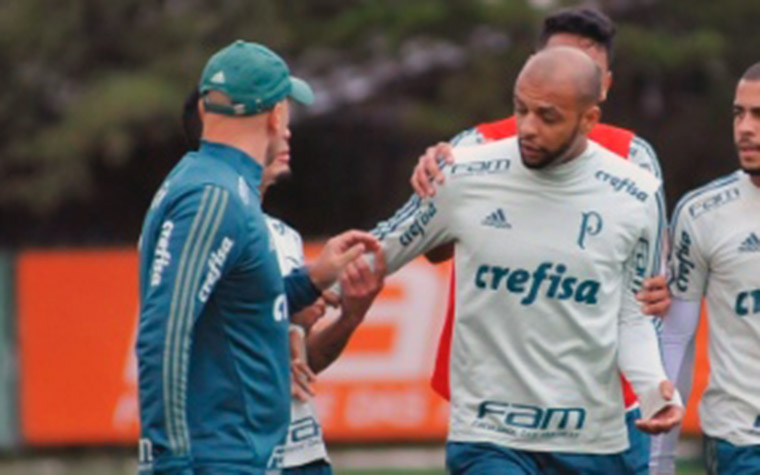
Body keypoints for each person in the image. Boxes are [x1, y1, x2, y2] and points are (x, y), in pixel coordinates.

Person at [373, 47, 682, 474]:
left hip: (594, 441)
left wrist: (654, 390)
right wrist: (302, 292)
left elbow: (633, 314)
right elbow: (377, 252)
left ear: (590, 118)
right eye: (521, 110)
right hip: (490, 438)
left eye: (548, 116)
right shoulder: (463, 172)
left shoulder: (636, 193)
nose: (528, 129)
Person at [136, 40, 379, 474]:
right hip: (220, 459)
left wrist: (310, 280)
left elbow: (236, 302)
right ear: (275, 114)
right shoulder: (215, 197)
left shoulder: (216, 184)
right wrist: (170, 463)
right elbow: (164, 334)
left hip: (240, 456)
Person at [649, 63, 760, 475]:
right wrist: (660, 458)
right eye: (738, 114)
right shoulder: (702, 213)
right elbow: (677, 337)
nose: (745, 128)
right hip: (741, 443)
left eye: (759, 115)